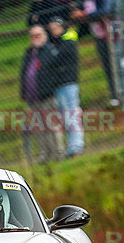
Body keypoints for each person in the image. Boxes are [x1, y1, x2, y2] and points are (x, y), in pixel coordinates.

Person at [20, 26, 64, 164]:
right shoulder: (29, 53)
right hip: (32, 98)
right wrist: (23, 92)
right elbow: (23, 73)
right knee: (38, 127)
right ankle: (45, 154)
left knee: (52, 125)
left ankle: (58, 153)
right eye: (33, 36)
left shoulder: (49, 50)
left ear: (44, 36)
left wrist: (51, 88)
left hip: (47, 95)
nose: (36, 38)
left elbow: (56, 71)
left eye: (38, 35)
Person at [48, 17, 84, 158]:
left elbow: (56, 60)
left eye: (56, 27)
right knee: (67, 118)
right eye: (51, 29)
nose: (53, 31)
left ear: (62, 27)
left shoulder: (67, 42)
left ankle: (76, 147)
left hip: (68, 83)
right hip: (60, 84)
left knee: (72, 116)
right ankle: (72, 147)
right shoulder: (56, 43)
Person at [76, 0, 120, 107]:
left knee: (117, 66)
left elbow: (105, 11)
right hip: (99, 38)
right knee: (108, 69)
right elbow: (84, 23)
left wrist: (84, 15)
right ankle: (115, 96)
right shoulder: (85, 2)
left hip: (111, 36)